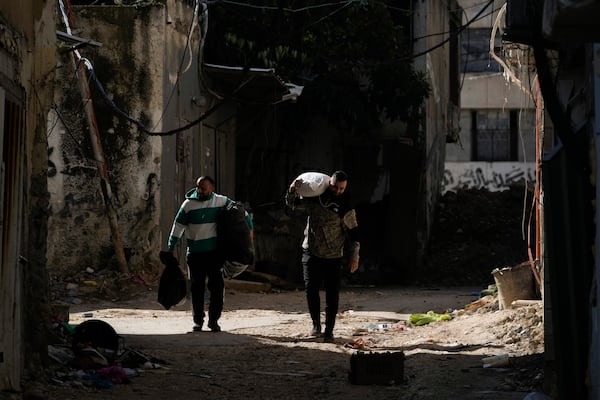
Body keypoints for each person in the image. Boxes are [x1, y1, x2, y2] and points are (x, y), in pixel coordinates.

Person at [167, 176, 253, 332]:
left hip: (214, 254)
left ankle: (214, 320)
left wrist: (249, 230)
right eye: (198, 187)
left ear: (212, 188)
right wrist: (170, 247)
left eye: (203, 188)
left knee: (217, 288)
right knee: (196, 289)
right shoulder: (188, 205)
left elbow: (242, 212)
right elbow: (178, 226)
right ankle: (198, 322)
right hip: (194, 255)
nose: (199, 191)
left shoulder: (221, 201)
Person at [286, 170, 360, 343]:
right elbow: (292, 205)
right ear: (329, 183)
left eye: (342, 189)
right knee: (311, 289)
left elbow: (354, 235)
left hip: (333, 255)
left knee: (332, 295)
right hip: (310, 250)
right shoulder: (315, 197)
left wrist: (354, 257)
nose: (338, 191)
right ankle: (315, 324)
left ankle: (329, 331)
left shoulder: (345, 206)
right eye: (336, 187)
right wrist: (291, 190)